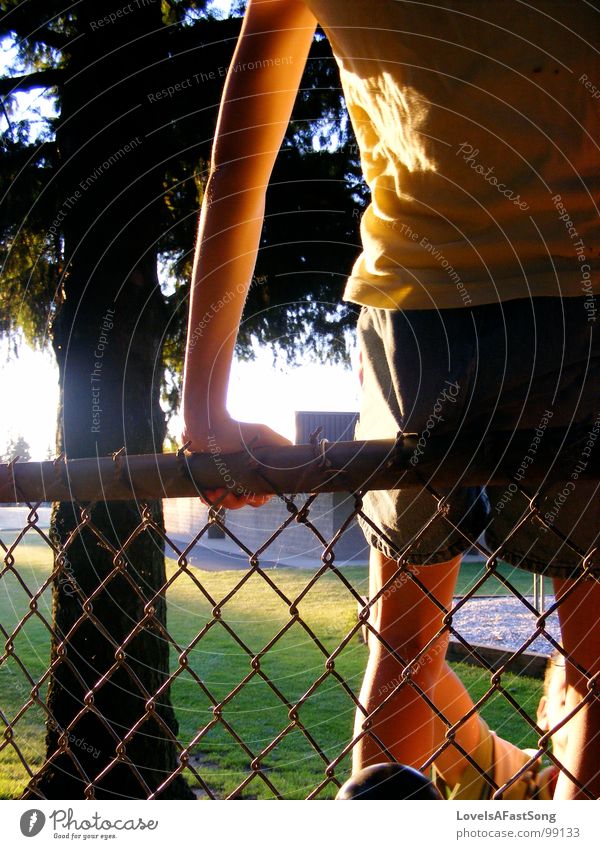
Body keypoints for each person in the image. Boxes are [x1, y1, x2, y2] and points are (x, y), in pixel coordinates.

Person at [181, 0, 600, 799]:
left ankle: (503, 784)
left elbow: (239, 161)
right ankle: (514, 785)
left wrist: (205, 403)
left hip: (418, 316)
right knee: (589, 667)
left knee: (405, 647)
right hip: (578, 289)